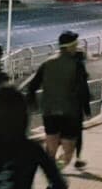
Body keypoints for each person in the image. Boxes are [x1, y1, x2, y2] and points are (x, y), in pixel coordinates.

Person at [22, 30, 92, 170]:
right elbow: (83, 89)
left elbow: (32, 86)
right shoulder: (77, 65)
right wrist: (86, 108)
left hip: (49, 112)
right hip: (70, 112)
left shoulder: (47, 63)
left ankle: (51, 172)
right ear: (70, 46)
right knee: (68, 152)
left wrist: (33, 104)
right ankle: (58, 169)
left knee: (51, 147)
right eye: (75, 44)